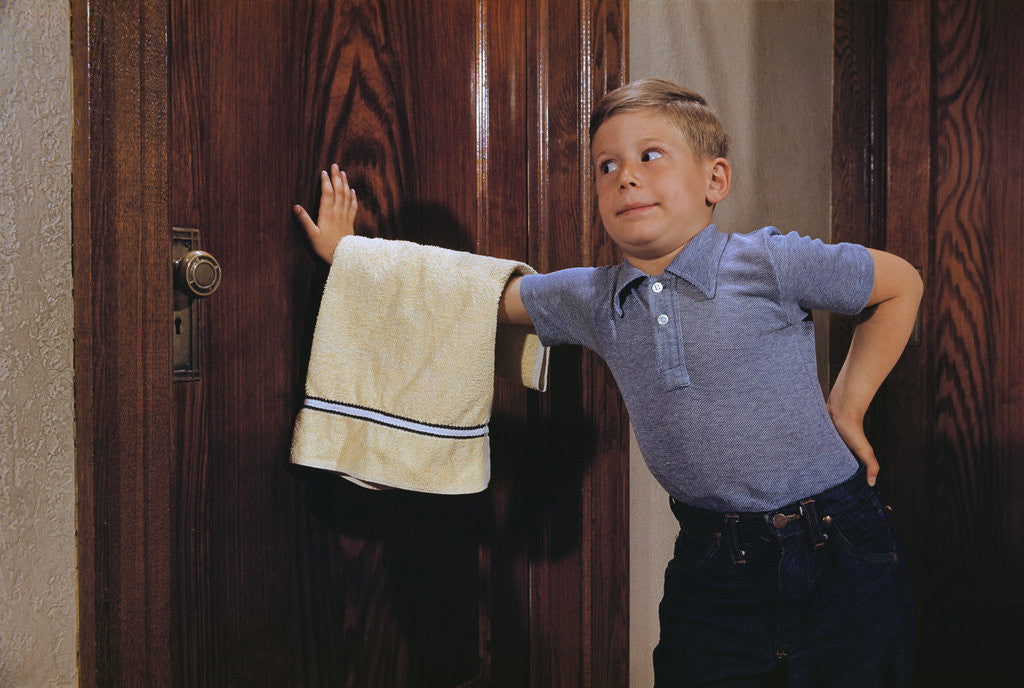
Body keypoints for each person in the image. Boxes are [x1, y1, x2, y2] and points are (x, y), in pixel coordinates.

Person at [294, 78, 922, 687]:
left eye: (652, 156)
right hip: (712, 562)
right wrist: (353, 258)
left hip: (840, 546)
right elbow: (469, 292)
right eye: (606, 166)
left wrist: (849, 404)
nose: (626, 176)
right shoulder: (592, 297)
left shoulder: (771, 261)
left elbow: (900, 285)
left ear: (715, 180)